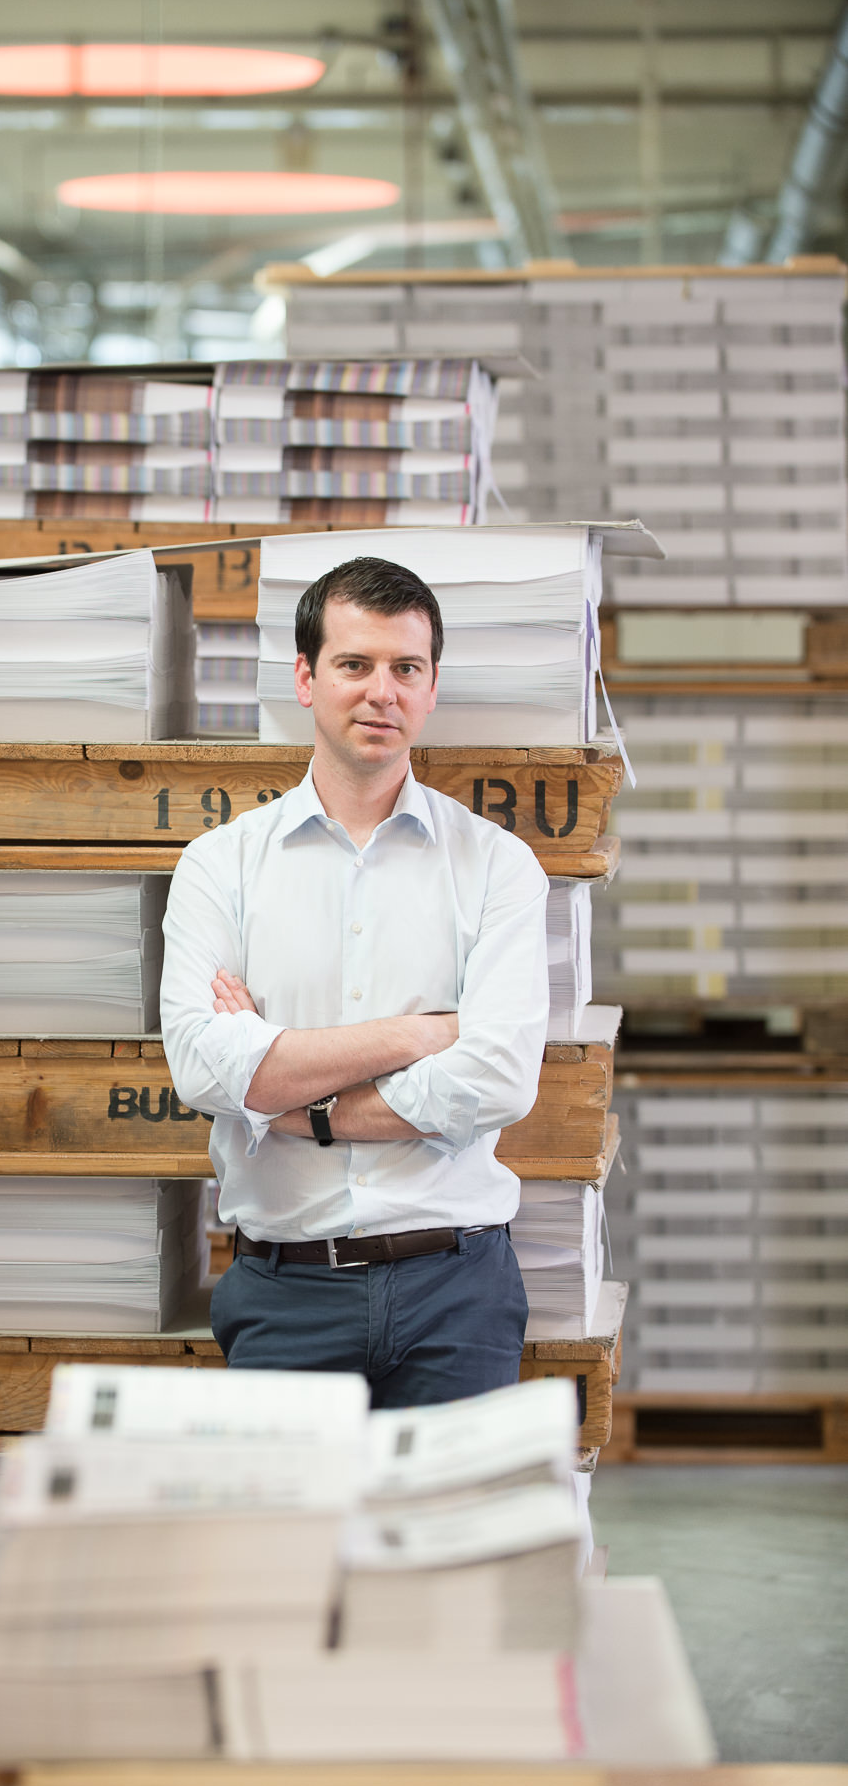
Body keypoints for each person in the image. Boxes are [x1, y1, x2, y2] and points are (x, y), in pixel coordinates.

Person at [160, 555, 549, 1408]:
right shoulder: (219, 867)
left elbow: (499, 1076)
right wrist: (421, 1034)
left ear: (431, 685)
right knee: (287, 1548)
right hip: (285, 1291)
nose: (383, 691)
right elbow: (202, 1067)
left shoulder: (496, 867)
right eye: (354, 664)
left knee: (448, 1546)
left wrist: (295, 1098)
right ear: (305, 678)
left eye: (405, 668)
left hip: (458, 1288)